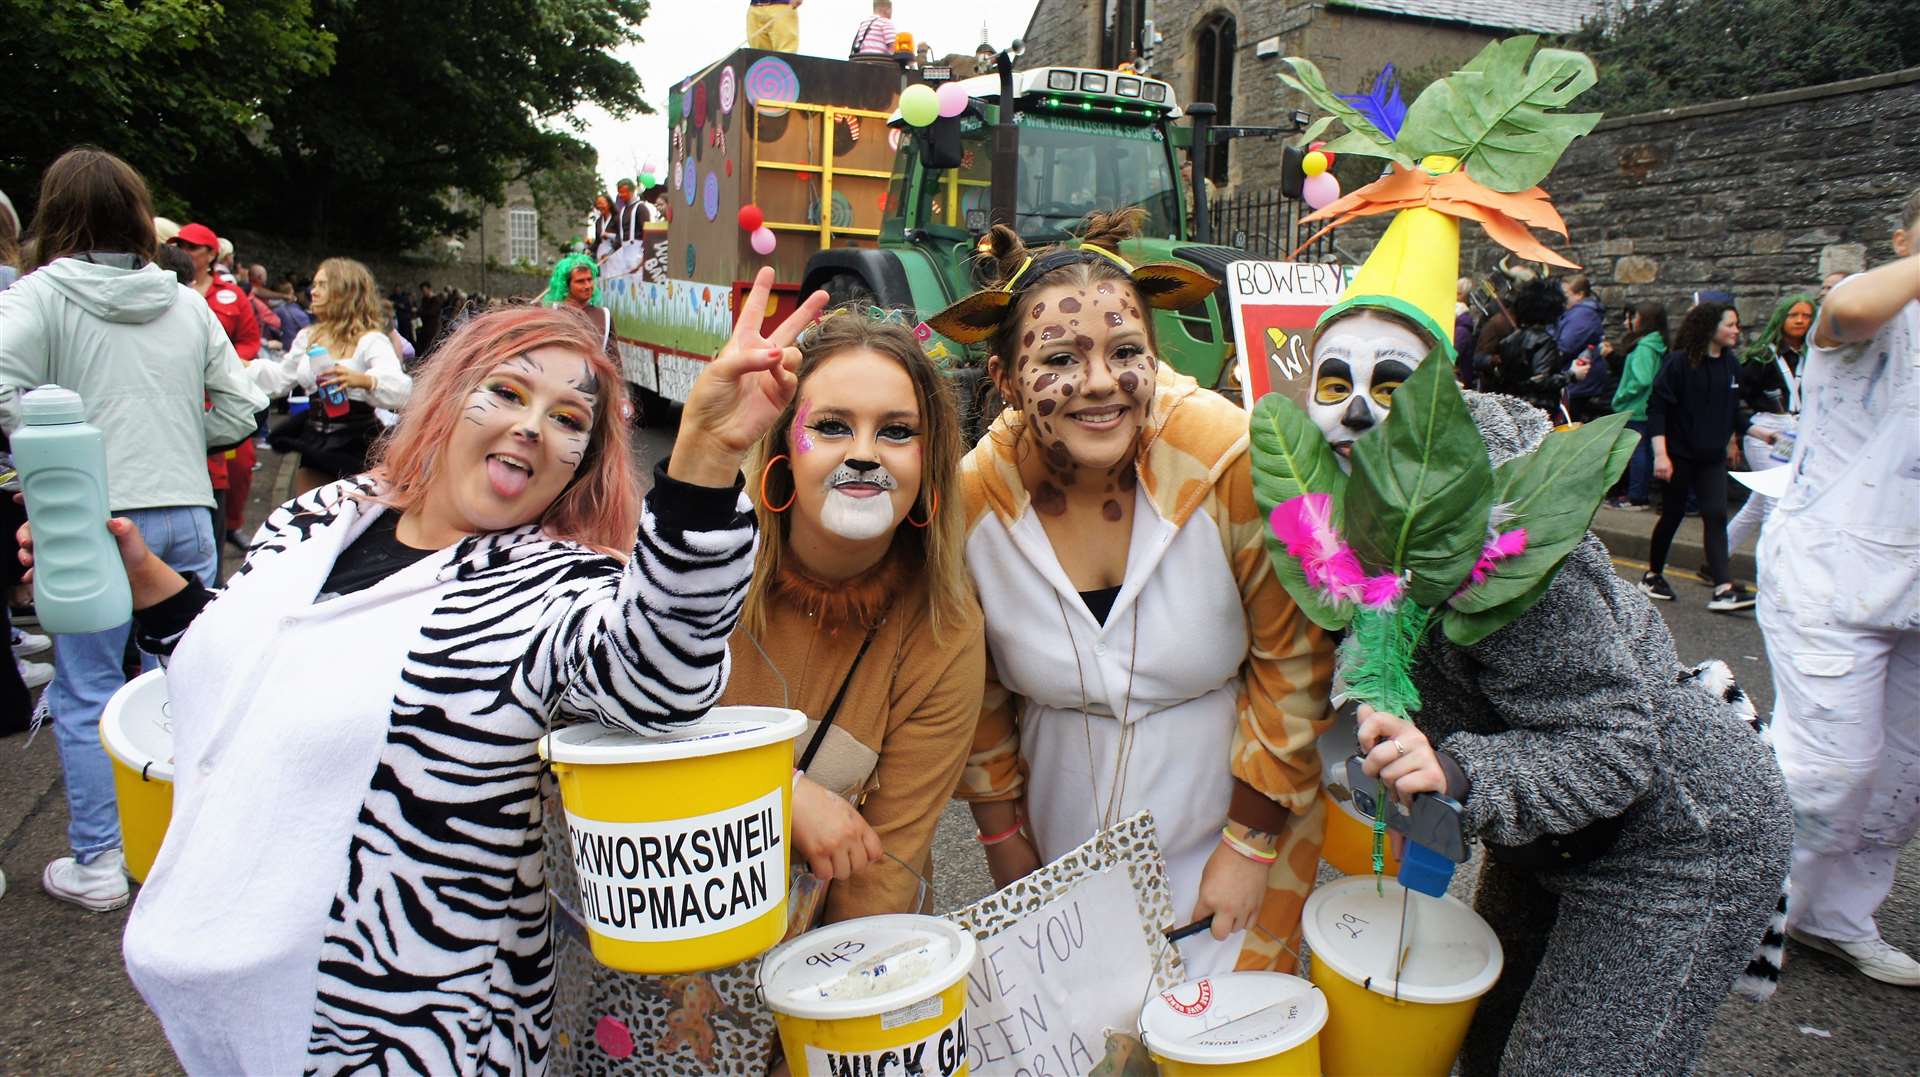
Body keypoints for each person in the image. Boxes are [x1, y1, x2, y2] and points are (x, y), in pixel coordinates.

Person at [14, 269, 840, 1074]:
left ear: (579, 462)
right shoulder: (320, 517)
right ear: (446, 401)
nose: (530, 426)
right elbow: (261, 672)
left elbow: (661, 667)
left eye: (566, 418)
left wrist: (703, 455)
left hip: (398, 1027)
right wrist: (150, 586)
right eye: (509, 393)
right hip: (207, 1002)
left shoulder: (553, 588)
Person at [1260, 48, 1792, 1059]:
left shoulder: (1506, 533)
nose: (1364, 410)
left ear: (1444, 399)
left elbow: (1614, 746)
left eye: (1396, 383)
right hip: (1543, 832)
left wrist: (1453, 773)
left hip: (1676, 829)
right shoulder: (1326, 513)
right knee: (1481, 1048)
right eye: (1337, 385)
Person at [550, 306, 985, 1074]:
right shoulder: (696, 571)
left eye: (894, 431)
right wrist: (777, 792)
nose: (861, 455)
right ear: (784, 444)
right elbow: (591, 754)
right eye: (832, 426)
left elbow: (883, 876)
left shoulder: (943, 631)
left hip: (795, 998)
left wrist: (813, 1045)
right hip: (627, 979)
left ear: (930, 463)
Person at [927, 208, 1336, 977]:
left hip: (1231, 821)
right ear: (1006, 379)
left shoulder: (1229, 460)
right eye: (1060, 358)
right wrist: (1003, 838)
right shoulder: (974, 500)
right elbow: (971, 687)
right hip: (1062, 831)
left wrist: (1248, 846)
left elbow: (1296, 657)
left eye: (1125, 352)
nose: (1100, 384)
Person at [0, 146, 266, 912]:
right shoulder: (184, 301)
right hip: (186, 507)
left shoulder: (38, 296)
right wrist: (179, 435)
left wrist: (57, 450)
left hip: (88, 512)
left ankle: (102, 860)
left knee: (89, 691)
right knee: (187, 680)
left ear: (54, 214)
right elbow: (238, 409)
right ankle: (191, 841)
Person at [1758, 187, 1920, 988]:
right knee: (1829, 766)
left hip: (1914, 586)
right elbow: (1846, 307)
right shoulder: (1878, 310)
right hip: (1835, 571)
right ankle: (1740, 900)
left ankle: (1836, 916)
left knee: (1898, 779)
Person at [255, 258, 411, 494]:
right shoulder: (308, 335)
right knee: (309, 518)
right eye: (313, 285)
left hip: (356, 445)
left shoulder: (370, 339)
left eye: (321, 285)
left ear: (343, 291)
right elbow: (280, 378)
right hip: (316, 441)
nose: (312, 291)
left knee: (353, 520)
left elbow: (401, 388)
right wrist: (242, 367)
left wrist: (364, 380)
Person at [1641, 301, 1755, 611]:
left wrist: (1757, 433)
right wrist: (1661, 455)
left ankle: (1723, 587)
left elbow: (1733, 411)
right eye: (1730, 324)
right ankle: (1653, 575)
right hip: (1679, 456)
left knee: (1716, 514)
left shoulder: (1731, 365)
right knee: (1673, 514)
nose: (1736, 330)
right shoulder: (1679, 363)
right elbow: (1658, 409)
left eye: (1737, 324)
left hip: (1711, 458)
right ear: (1710, 327)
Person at [1726, 293, 1813, 553]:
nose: (1800, 321)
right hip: (1766, 431)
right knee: (1776, 501)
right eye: (1794, 315)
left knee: (1758, 502)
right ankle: (1769, 570)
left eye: (1806, 316)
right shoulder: (1761, 357)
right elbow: (1733, 400)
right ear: (1781, 318)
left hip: (1796, 432)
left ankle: (1717, 558)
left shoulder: (1812, 355)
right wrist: (1732, 439)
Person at [1606, 301, 1668, 510]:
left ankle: (1636, 496)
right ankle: (1639, 494)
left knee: (1637, 450)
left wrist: (1622, 395)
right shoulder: (1657, 343)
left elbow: (1642, 379)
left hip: (1636, 406)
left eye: (1635, 317)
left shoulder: (1644, 347)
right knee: (1644, 450)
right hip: (1647, 406)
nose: (1630, 321)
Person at [1483, 276, 1568, 419]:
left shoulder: (1509, 340)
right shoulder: (1545, 341)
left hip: (1512, 409)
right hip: (1536, 412)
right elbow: (1540, 381)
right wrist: (1572, 375)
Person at [589, 193, 615, 260]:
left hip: (615, 254)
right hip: (602, 256)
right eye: (597, 204)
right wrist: (589, 250)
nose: (599, 206)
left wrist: (609, 235)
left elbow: (622, 238)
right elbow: (597, 241)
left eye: (601, 203)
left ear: (609, 204)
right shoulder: (598, 222)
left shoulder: (617, 219)